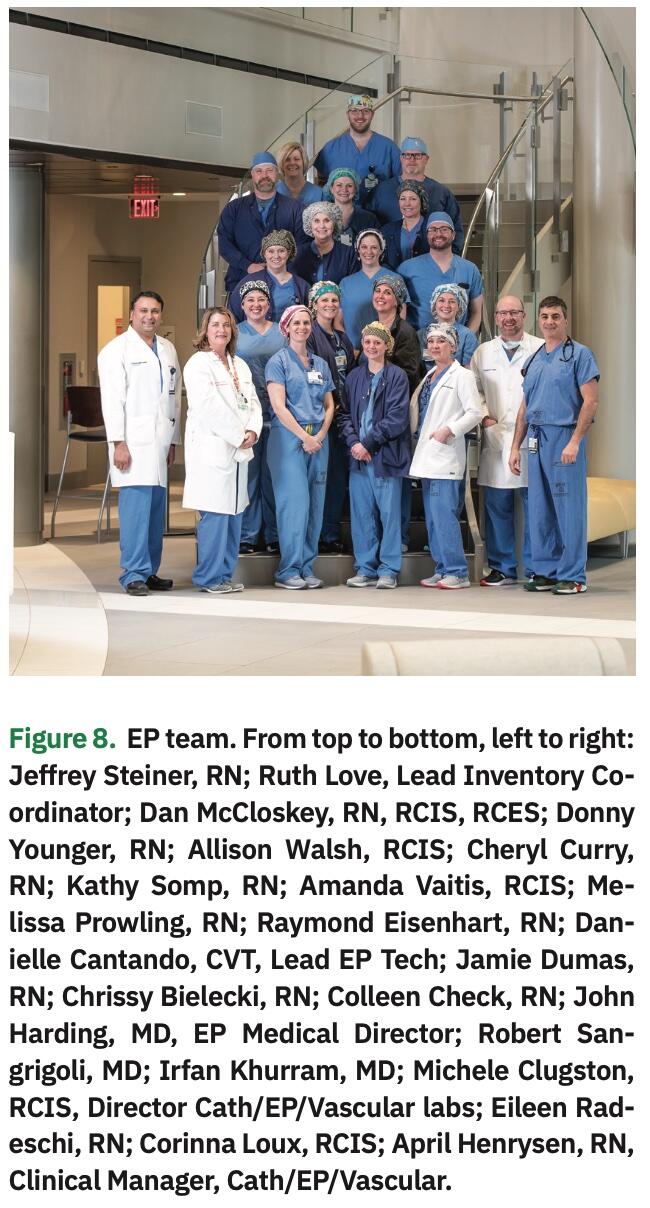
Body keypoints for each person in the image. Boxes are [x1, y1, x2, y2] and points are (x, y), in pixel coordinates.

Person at [509, 296, 599, 595]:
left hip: (563, 437)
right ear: (538, 320)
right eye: (545, 316)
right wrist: (515, 447)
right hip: (536, 438)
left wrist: (575, 441)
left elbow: (590, 401)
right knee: (540, 508)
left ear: (565, 320)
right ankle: (546, 572)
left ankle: (573, 575)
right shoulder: (533, 359)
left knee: (568, 507)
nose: (549, 322)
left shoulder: (579, 355)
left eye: (555, 316)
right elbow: (525, 406)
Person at [98, 291, 181, 597]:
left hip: (160, 442)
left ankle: (149, 571)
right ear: (132, 314)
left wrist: (173, 441)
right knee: (135, 512)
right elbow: (112, 401)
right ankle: (133, 573)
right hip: (132, 443)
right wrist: (118, 442)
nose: (149, 316)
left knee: (155, 513)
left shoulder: (168, 349)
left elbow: (174, 397)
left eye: (155, 311)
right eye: (143, 310)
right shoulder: (115, 350)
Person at [182, 307, 262, 593]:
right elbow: (208, 407)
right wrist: (238, 435)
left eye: (226, 325)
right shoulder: (198, 364)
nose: (221, 330)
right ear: (205, 330)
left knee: (234, 514)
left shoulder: (239, 365)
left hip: (238, 451)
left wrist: (253, 430)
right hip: (214, 449)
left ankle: (224, 574)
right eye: (215, 325)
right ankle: (208, 577)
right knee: (216, 516)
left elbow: (253, 401)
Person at [471, 295, 543, 586]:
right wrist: (484, 417)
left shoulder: (539, 348)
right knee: (498, 507)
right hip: (497, 438)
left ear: (524, 316)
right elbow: (474, 390)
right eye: (503, 313)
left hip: (532, 438)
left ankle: (538, 568)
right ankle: (503, 568)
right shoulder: (483, 352)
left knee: (535, 507)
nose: (508, 318)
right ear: (496, 317)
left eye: (514, 312)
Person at [265, 305, 335, 589]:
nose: (302, 327)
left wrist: (320, 435)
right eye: (296, 323)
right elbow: (279, 406)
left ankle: (307, 567)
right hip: (289, 439)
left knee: (315, 505)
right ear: (286, 327)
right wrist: (304, 437)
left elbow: (329, 405)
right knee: (294, 505)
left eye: (306, 322)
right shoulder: (278, 362)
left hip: (318, 439)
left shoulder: (320, 364)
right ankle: (288, 570)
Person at [409, 324, 483, 589]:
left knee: (444, 517)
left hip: (446, 456)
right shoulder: (430, 375)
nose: (435, 346)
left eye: (441, 341)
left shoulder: (462, 376)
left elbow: (475, 412)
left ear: (453, 346)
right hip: (428, 456)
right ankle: (442, 568)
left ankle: (458, 572)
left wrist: (449, 430)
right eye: (431, 341)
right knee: (433, 519)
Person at [340, 323, 411, 589]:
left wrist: (368, 444)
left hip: (385, 457)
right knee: (362, 515)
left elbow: (397, 418)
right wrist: (354, 443)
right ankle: (365, 568)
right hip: (359, 459)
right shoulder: (354, 378)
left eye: (377, 342)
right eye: (368, 342)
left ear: (386, 346)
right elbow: (344, 415)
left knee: (389, 516)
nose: (372, 346)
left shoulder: (397, 376)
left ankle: (389, 570)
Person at [306, 282, 356, 554]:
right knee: (316, 478)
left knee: (336, 478)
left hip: (341, 417)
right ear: (314, 304)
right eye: (324, 300)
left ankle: (330, 532)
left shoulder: (342, 339)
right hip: (317, 417)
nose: (329, 304)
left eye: (334, 300)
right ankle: (313, 534)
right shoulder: (309, 335)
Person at [235, 280, 285, 554]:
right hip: (247, 416)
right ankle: (249, 535)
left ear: (269, 304)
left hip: (279, 414)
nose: (256, 305)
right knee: (250, 476)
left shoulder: (282, 332)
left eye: (261, 299)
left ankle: (275, 534)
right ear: (242, 305)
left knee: (274, 476)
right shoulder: (235, 333)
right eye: (250, 300)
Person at [217, 151, 307, 292]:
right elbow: (225, 245)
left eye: (269, 170)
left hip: (284, 284)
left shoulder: (295, 209)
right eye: (259, 171)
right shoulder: (234, 209)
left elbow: (303, 245)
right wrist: (248, 266)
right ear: (252, 175)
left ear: (277, 173)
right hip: (241, 281)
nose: (264, 175)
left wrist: (278, 269)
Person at [369, 136, 464, 251]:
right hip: (388, 257)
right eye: (407, 155)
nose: (412, 160)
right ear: (401, 158)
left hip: (430, 259)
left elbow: (456, 231)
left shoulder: (441, 193)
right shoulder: (381, 191)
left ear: (426, 159)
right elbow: (369, 228)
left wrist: (448, 258)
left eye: (418, 155)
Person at [399, 211, 483, 333]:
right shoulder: (407, 268)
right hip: (418, 341)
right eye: (433, 229)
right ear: (427, 235)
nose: (438, 234)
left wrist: (466, 338)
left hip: (456, 341)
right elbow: (397, 311)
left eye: (444, 229)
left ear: (453, 235)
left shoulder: (470, 269)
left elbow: (476, 312)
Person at [313, 94, 401, 205]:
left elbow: (400, 181)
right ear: (347, 114)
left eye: (366, 111)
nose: (360, 116)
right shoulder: (331, 148)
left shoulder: (388, 147)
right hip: (341, 213)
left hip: (381, 213)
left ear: (372, 114)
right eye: (354, 111)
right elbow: (321, 182)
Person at [339, 229, 405, 350]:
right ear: (358, 250)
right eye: (364, 247)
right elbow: (338, 322)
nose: (368, 251)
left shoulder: (395, 279)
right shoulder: (345, 283)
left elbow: (402, 317)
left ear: (381, 250)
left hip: (386, 350)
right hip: (353, 351)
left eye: (374, 247)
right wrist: (348, 348)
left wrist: (389, 346)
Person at [229, 230, 310, 323]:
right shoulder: (249, 282)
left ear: (288, 253)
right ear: (264, 254)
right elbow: (232, 315)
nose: (276, 256)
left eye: (281, 251)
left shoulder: (301, 286)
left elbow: (312, 319)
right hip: (255, 332)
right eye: (271, 251)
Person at [291, 201, 357, 286]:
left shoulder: (348, 253)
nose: (322, 226)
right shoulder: (298, 253)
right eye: (316, 221)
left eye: (327, 220)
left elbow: (353, 285)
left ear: (334, 223)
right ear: (310, 225)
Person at [418, 284, 478, 368]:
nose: (446, 305)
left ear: (459, 306)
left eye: (452, 301)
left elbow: (468, 370)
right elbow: (417, 368)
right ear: (434, 304)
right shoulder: (422, 334)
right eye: (441, 300)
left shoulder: (467, 336)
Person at [381, 180, 430, 270]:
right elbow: (381, 261)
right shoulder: (387, 230)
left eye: (413, 199)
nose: (407, 203)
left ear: (422, 202)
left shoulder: (432, 229)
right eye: (403, 199)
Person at [322, 167, 378, 247]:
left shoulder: (369, 219)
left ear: (355, 189)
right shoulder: (321, 217)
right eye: (339, 185)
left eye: (349, 186)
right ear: (331, 189)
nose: (344, 189)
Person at [276, 140, 323, 204]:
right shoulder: (274, 192)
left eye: (296, 159)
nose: (292, 163)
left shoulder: (318, 194)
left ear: (304, 162)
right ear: (281, 163)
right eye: (287, 159)